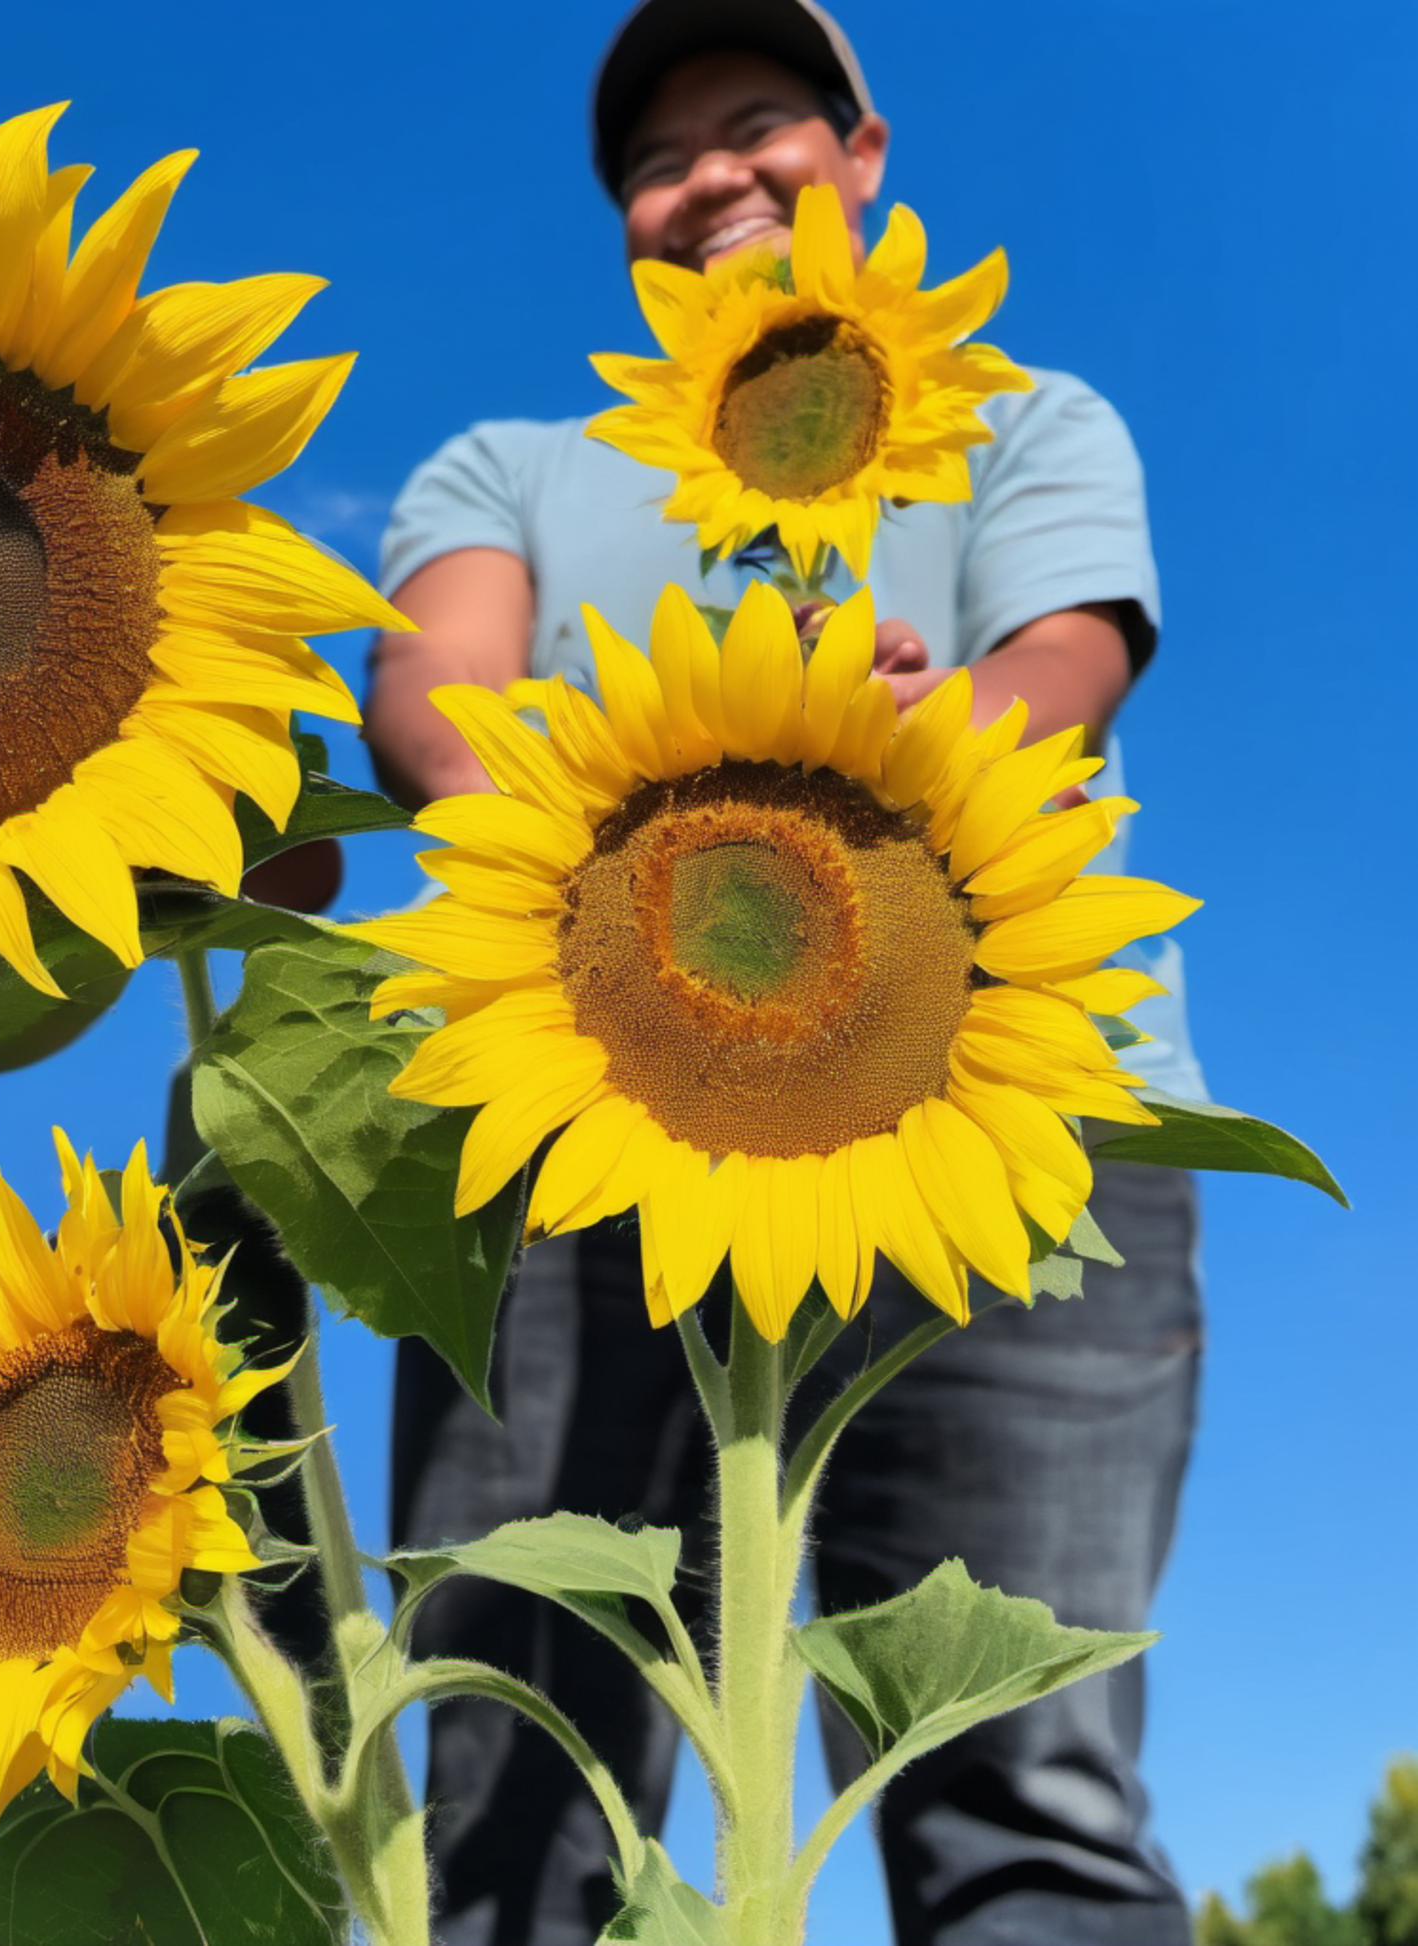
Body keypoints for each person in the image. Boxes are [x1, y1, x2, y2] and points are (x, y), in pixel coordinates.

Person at [361, 5, 1207, 1944]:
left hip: (991, 1108)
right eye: (659, 161)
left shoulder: (1017, 415)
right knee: (524, 1791)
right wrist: (605, 840)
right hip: (585, 1110)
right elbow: (434, 687)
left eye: (756, 125)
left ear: (863, 151)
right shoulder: (513, 464)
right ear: (624, 226)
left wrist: (934, 745)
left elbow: (1062, 666)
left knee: (1016, 1776)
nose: (713, 177)